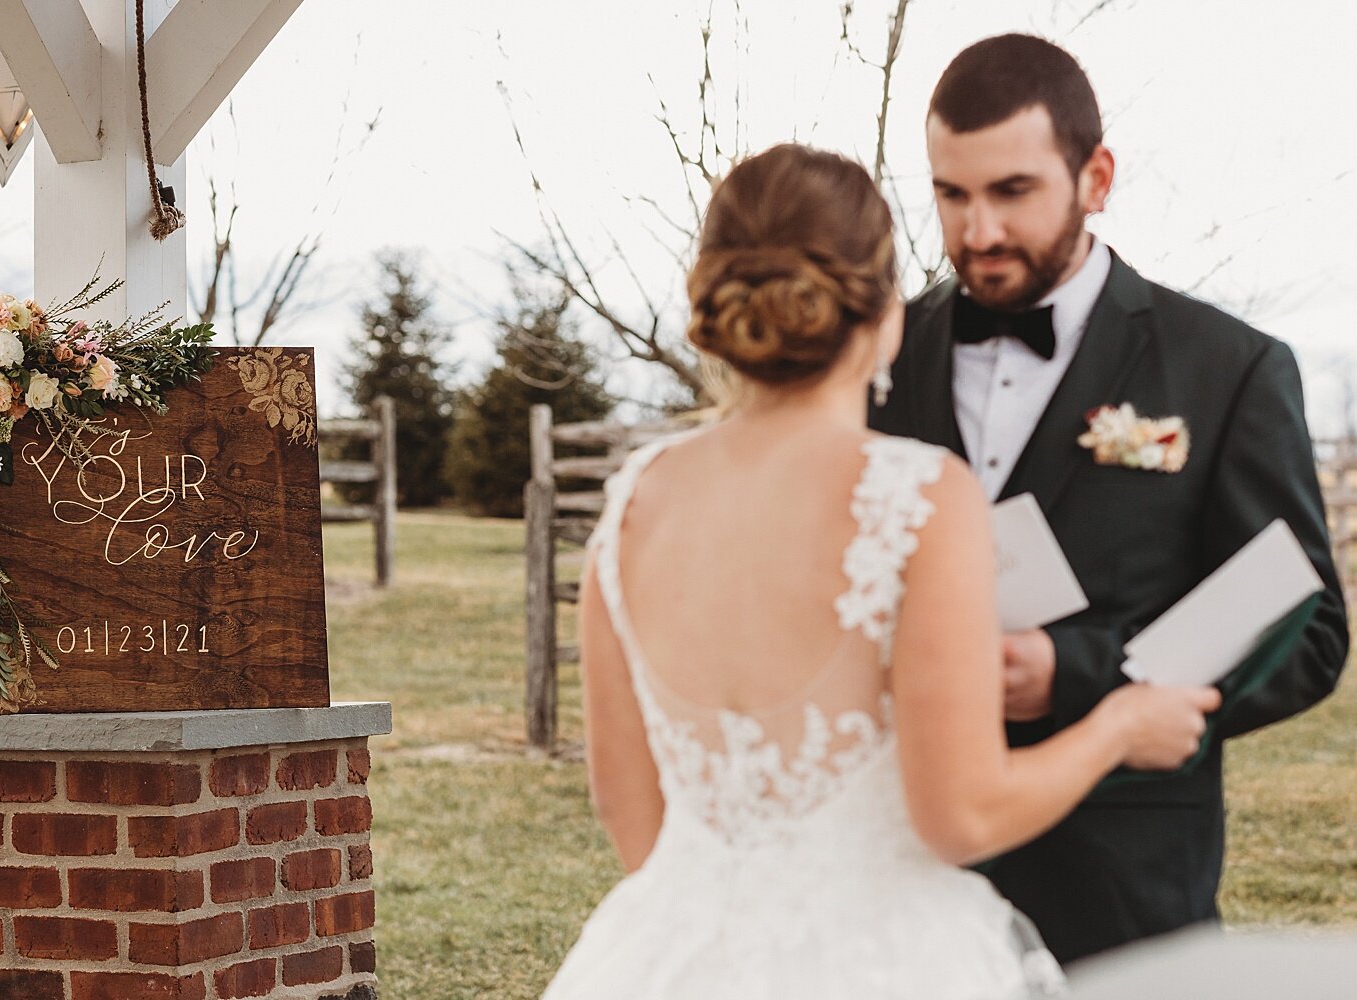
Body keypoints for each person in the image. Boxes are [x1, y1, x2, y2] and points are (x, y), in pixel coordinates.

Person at [542, 142, 1220, 1000]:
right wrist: (1119, 727)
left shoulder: (634, 501)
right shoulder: (919, 496)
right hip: (886, 961)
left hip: (674, 955)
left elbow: (630, 814)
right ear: (885, 309)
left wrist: (735, 932)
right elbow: (962, 815)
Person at [869, 34, 1348, 963]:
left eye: (1012, 192)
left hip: (1124, 890)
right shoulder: (878, 359)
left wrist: (1080, 676)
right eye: (950, 195)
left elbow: (1311, 632)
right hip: (905, 877)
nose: (978, 233)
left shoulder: (1227, 368)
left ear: (1096, 177)